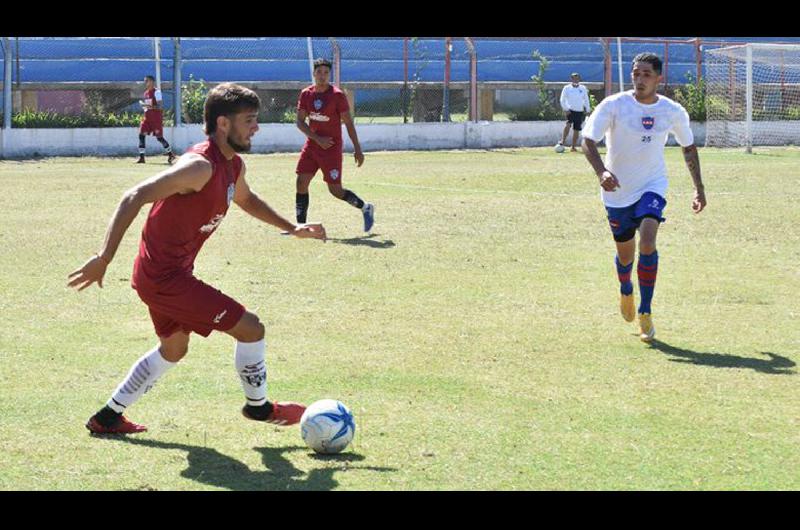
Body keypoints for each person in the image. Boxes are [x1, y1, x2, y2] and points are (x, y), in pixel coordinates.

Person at [69, 83, 327, 434]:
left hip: (162, 276)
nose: (256, 128)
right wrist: (104, 256)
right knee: (251, 329)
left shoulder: (233, 166)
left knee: (174, 349)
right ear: (223, 124)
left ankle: (108, 417)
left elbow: (248, 201)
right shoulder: (199, 166)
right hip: (165, 279)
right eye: (249, 120)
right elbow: (135, 195)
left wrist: (291, 227)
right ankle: (260, 408)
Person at [580, 53, 707, 342]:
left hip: (653, 185)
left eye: (646, 74)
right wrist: (602, 172)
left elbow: (688, 148)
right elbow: (588, 141)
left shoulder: (672, 111)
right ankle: (626, 288)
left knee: (648, 242)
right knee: (626, 255)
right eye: (636, 73)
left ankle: (646, 312)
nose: (639, 79)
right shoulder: (614, 105)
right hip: (617, 191)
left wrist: (699, 188)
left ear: (658, 78)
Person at [294, 58, 374, 232]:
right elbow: (300, 122)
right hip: (313, 146)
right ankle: (300, 227)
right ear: (314, 73)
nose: (322, 76)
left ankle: (365, 207)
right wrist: (317, 139)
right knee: (301, 182)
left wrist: (358, 149)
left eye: (326, 73)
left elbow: (349, 123)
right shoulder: (306, 94)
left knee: (335, 190)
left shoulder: (337, 96)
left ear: (329, 75)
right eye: (319, 72)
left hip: (331, 149)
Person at [137, 75, 176, 165]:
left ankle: (171, 154)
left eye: (146, 81)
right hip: (147, 117)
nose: (145, 83)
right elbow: (148, 106)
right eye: (145, 81)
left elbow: (160, 106)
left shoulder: (157, 92)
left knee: (159, 138)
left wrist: (148, 106)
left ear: (151, 81)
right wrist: (145, 107)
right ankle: (142, 157)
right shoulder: (146, 93)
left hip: (155, 118)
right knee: (141, 135)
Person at [558, 73, 592, 152]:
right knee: (568, 124)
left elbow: (586, 99)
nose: (575, 80)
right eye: (574, 78)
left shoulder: (583, 88)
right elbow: (562, 99)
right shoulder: (566, 88)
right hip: (570, 110)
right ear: (571, 79)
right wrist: (565, 109)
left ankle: (573, 147)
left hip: (579, 111)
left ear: (579, 79)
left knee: (576, 129)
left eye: (577, 78)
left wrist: (588, 110)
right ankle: (562, 141)